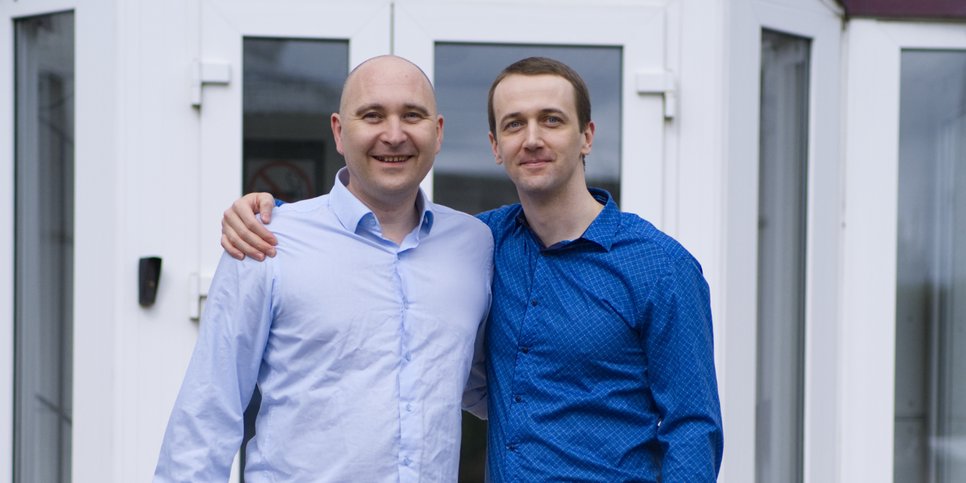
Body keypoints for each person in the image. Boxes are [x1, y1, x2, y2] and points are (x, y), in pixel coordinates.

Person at [222, 57, 723, 482]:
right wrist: (270, 212)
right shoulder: (474, 243)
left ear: (586, 135)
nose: (532, 139)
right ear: (494, 145)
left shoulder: (659, 266)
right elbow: (377, 239)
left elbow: (692, 428)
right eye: (514, 124)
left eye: (551, 120)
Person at [155, 55, 493, 482]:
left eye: (412, 115)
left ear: (438, 131)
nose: (393, 135)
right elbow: (208, 409)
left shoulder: (474, 246)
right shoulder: (268, 241)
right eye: (372, 115)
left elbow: (484, 385)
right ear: (338, 131)